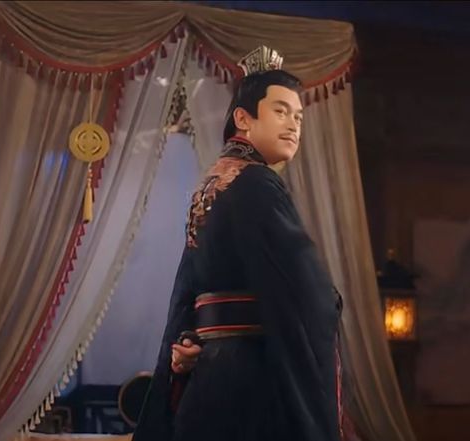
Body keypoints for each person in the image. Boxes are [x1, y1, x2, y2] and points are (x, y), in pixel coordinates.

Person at [133, 46, 343, 441]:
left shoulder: (212, 183)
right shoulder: (256, 181)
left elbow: (189, 287)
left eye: (298, 116)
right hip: (252, 381)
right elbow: (301, 283)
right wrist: (329, 302)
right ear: (243, 118)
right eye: (280, 111)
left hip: (210, 375)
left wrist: (188, 337)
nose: (293, 125)